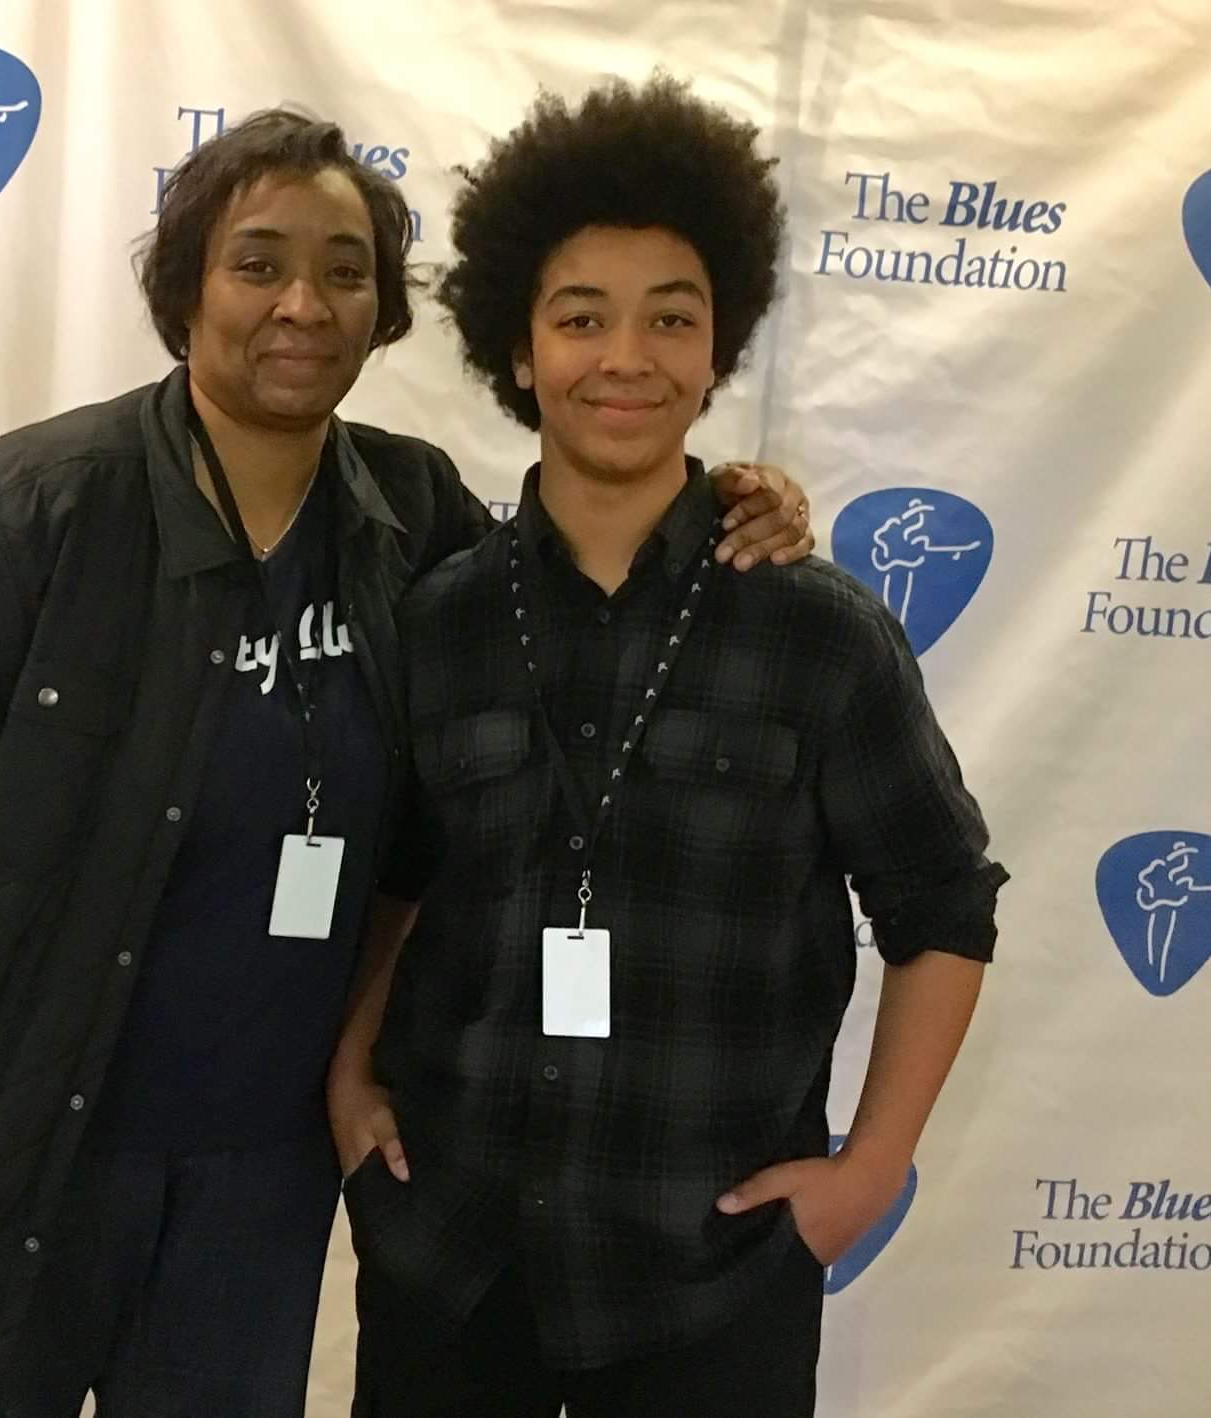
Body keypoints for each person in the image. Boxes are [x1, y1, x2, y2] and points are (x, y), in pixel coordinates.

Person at [0, 108, 816, 1418]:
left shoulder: (412, 518)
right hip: (28, 1154)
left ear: (383, 311)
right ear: (184, 289)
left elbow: (576, 595)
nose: (303, 303)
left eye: (345, 272)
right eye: (258, 264)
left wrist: (730, 505)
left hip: (260, 1179)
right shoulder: (18, 515)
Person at [330, 75, 1008, 1418]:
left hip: (715, 1277)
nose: (625, 357)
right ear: (520, 348)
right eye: (582, 317)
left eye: (672, 318)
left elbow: (943, 907)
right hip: (451, 1253)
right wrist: (351, 1078)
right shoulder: (442, 617)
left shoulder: (818, 633)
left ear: (718, 349)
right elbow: (396, 877)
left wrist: (868, 1173)